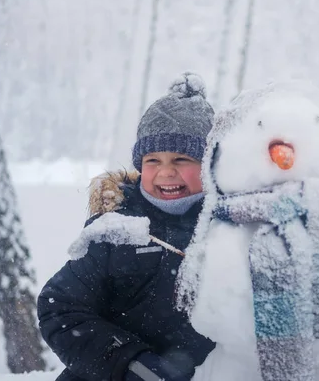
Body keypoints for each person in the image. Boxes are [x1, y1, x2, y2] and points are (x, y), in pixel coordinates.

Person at [37, 72, 216, 381]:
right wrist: (130, 363)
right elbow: (61, 307)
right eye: (153, 161)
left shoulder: (228, 230)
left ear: (210, 164)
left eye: (182, 159)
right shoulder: (116, 230)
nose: (166, 173)